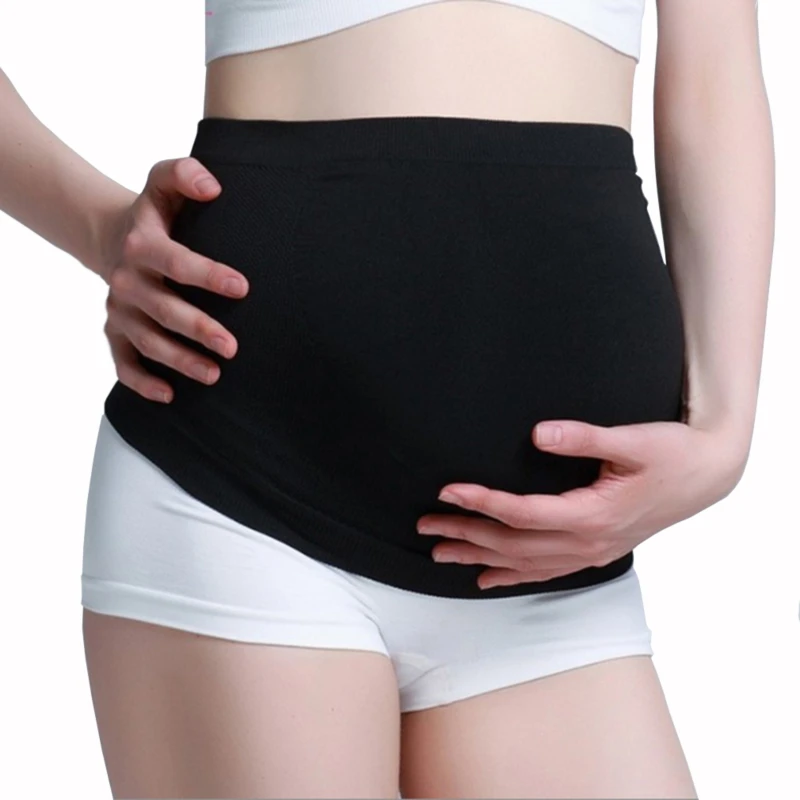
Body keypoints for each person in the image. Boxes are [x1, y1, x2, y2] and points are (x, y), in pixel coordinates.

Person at [0, 1, 774, 797]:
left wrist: (725, 435)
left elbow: (715, 74)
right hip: (244, 494)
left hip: (558, 562)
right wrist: (98, 228)